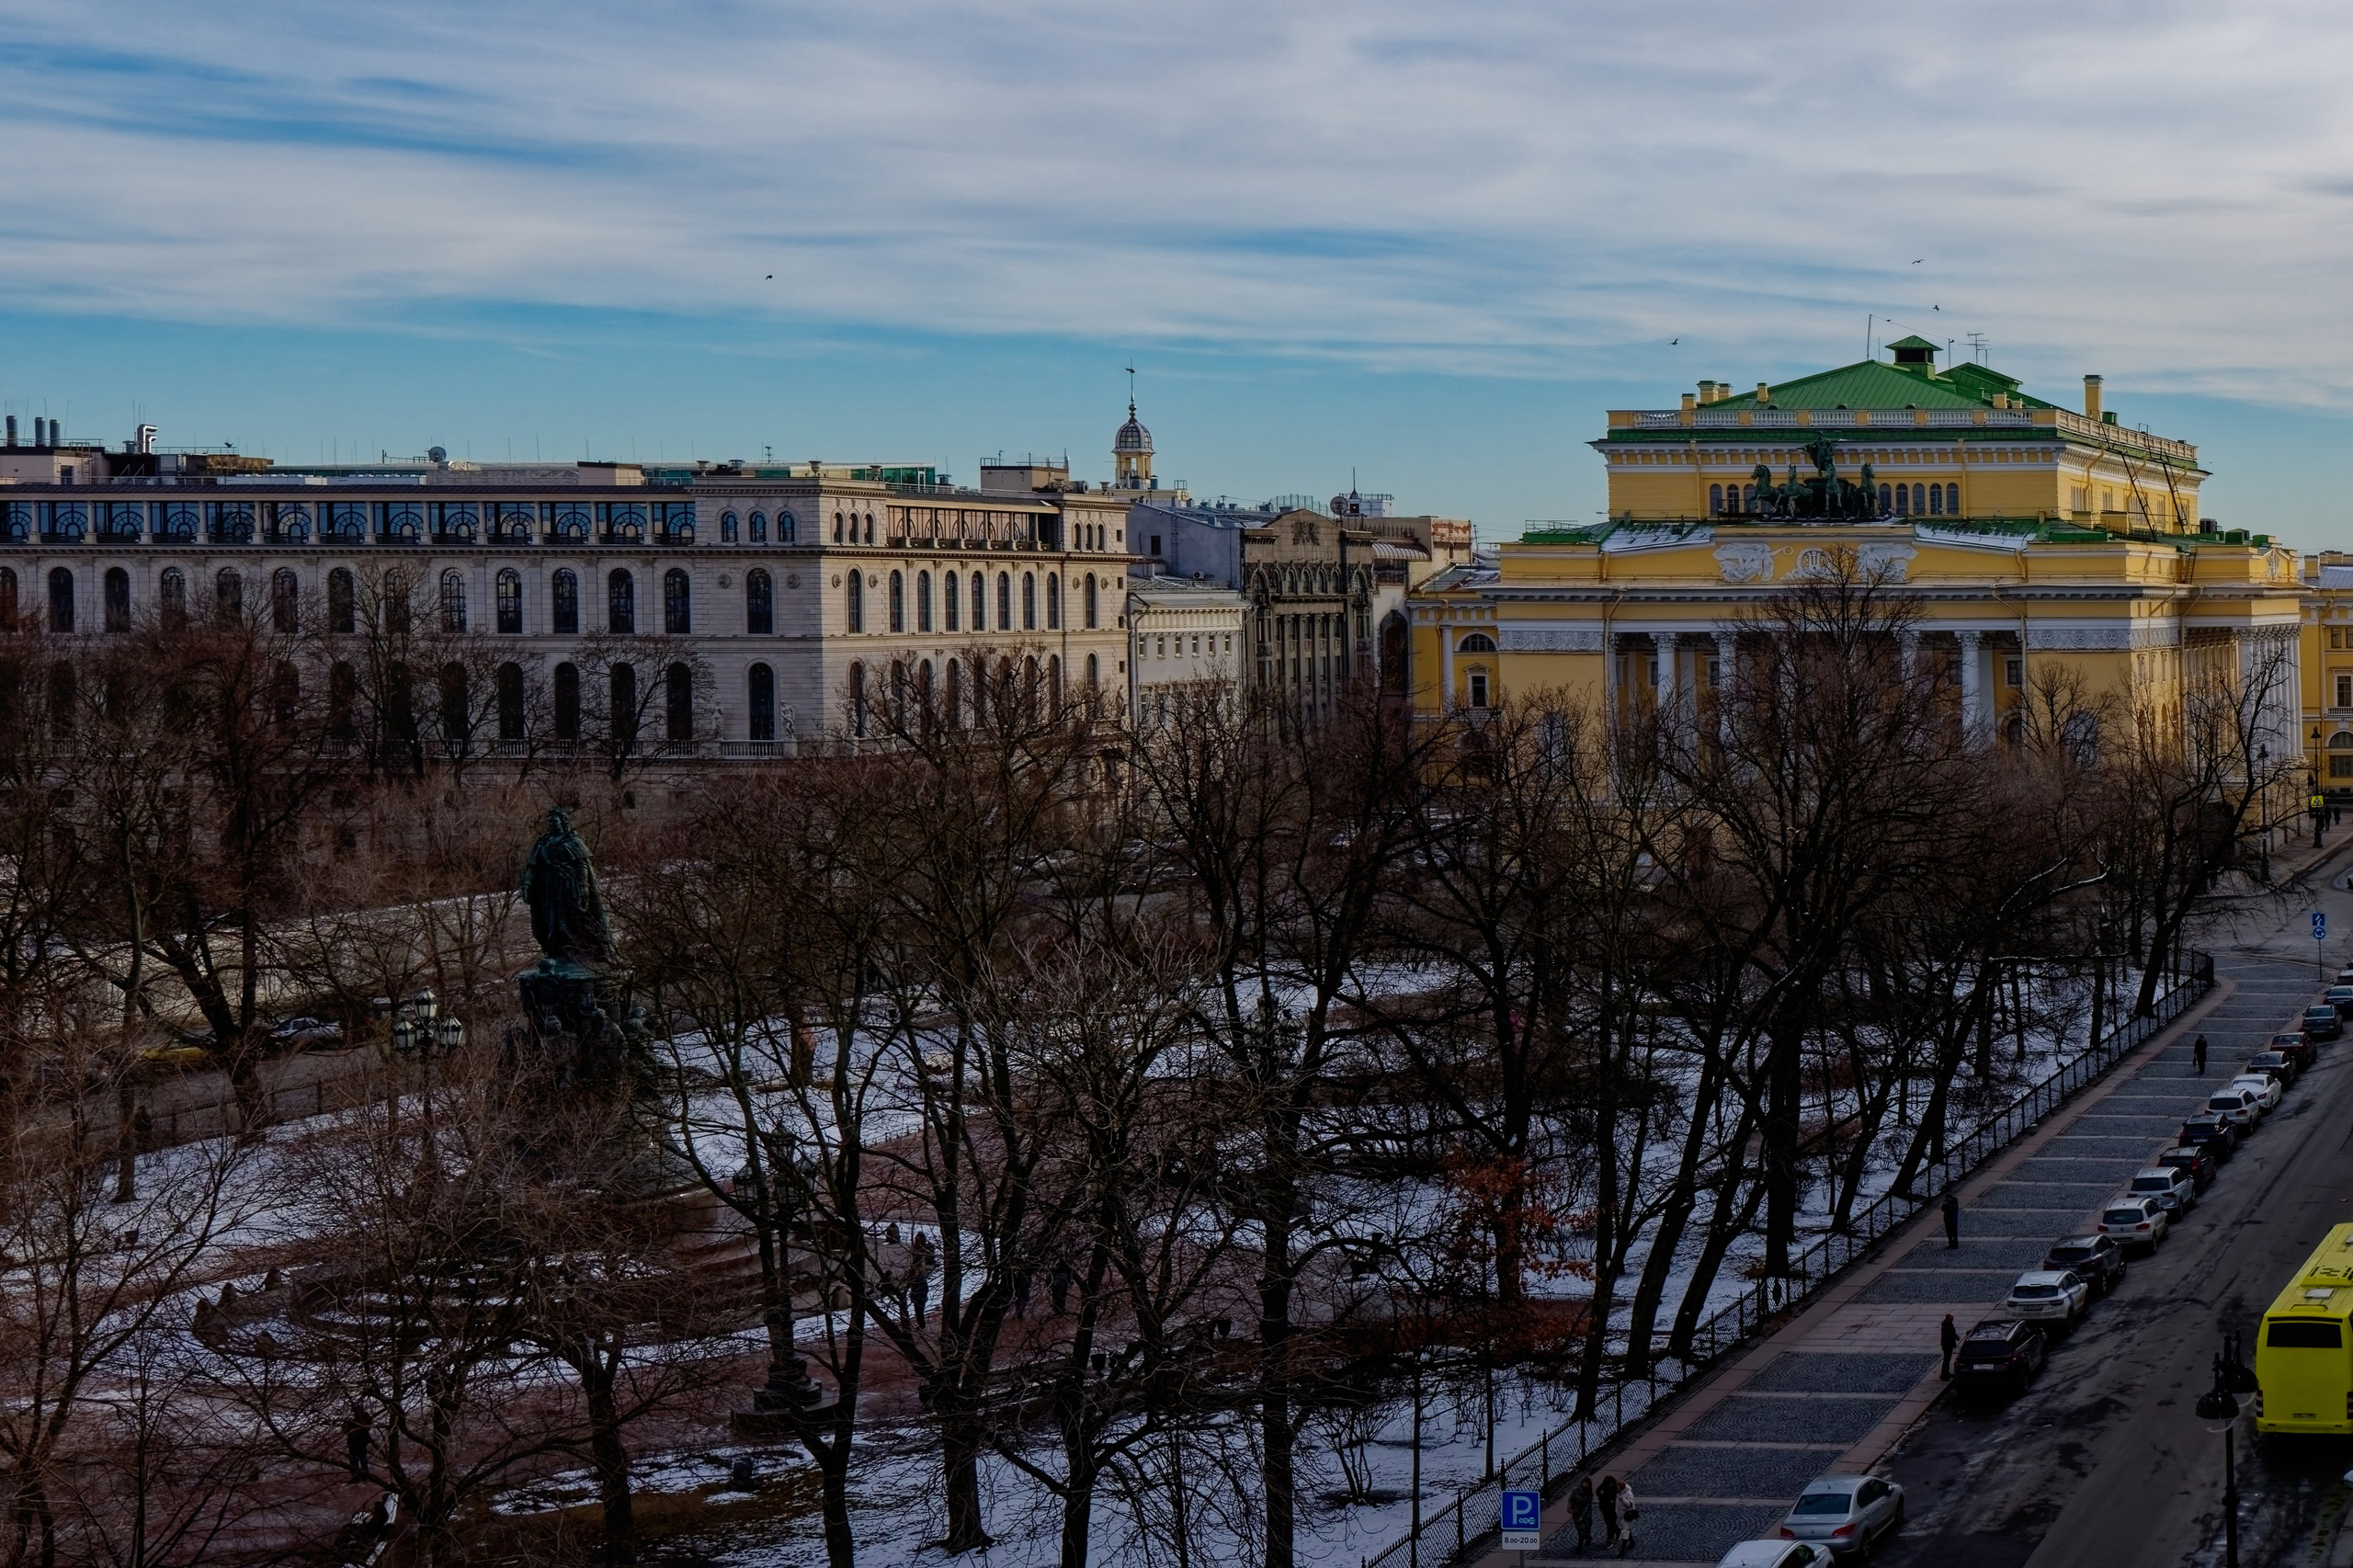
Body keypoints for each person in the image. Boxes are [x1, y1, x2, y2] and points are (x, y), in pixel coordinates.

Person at [907, 1232, 936, 1328]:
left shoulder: (919, 1279)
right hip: (917, 1293)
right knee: (919, 1311)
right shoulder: (917, 1251)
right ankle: (921, 1324)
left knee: (919, 1310)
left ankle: (921, 1325)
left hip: (919, 1294)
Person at [343, 1405, 370, 1480]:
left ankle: (363, 1476)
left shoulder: (364, 1417)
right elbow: (345, 1430)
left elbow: (367, 1427)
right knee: (356, 1460)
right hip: (355, 1443)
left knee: (360, 1460)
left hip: (359, 1442)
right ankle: (359, 1476)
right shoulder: (351, 1420)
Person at [1568, 1476, 1594, 1554]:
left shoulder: (1589, 1494)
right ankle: (1580, 1543)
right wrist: (1569, 1508)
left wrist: (1582, 1516)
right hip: (1576, 1512)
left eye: (1586, 1484)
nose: (1585, 1485)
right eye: (1584, 1483)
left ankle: (1587, 1538)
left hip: (1586, 1515)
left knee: (1585, 1529)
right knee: (1579, 1530)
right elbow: (1570, 1499)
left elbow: (1587, 1506)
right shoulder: (1575, 1491)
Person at [1597, 1474, 1622, 1550]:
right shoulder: (1604, 1487)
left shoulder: (1614, 1490)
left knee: (1610, 1524)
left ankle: (1610, 1539)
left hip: (1612, 1509)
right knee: (1609, 1523)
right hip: (1605, 1508)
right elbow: (1597, 1491)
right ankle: (1618, 1531)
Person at [1615, 1480, 1638, 1558]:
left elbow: (1630, 1505)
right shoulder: (1618, 1494)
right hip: (1621, 1515)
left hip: (1628, 1516)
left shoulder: (1628, 1494)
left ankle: (1622, 1550)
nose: (1616, 1490)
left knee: (1625, 1531)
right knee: (1627, 1530)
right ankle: (1632, 1542)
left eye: (1618, 1488)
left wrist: (1622, 1499)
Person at [1940, 1312, 1960, 1380]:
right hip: (1947, 1345)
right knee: (1946, 1360)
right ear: (1949, 1318)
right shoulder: (1946, 1325)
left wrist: (1956, 1337)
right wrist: (1954, 1337)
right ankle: (1943, 1375)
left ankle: (1946, 1373)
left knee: (1947, 1360)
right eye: (1952, 1318)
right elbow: (1948, 1335)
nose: (1953, 1319)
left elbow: (1952, 1333)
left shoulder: (1948, 1324)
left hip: (1948, 1345)